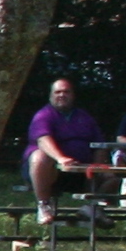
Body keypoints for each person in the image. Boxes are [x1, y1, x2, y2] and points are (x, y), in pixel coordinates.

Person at [24, 75, 109, 237]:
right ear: (51, 95)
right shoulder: (44, 115)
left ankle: (93, 208)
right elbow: (43, 140)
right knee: (39, 156)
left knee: (113, 175)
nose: (62, 95)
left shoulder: (85, 117)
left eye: (66, 92)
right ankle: (43, 205)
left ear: (73, 95)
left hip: (81, 172)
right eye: (57, 92)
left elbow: (100, 144)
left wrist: (99, 166)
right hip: (50, 172)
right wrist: (60, 158)